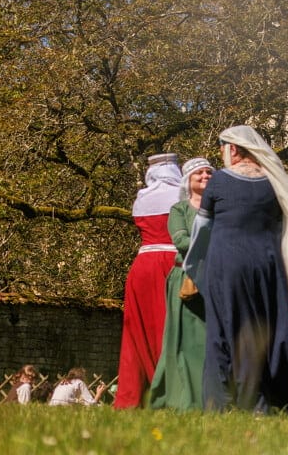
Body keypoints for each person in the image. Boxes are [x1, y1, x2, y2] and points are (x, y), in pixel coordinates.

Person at [184, 125, 288, 413]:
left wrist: (194, 265)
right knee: (267, 330)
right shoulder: (275, 183)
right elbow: (287, 228)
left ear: (233, 148)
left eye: (223, 149)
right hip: (267, 267)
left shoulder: (218, 181)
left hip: (227, 265)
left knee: (224, 329)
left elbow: (202, 228)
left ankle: (219, 402)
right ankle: (273, 399)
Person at [115, 153, 182, 409]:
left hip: (142, 265)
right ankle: (169, 391)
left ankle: (132, 397)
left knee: (136, 332)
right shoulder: (184, 196)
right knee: (170, 327)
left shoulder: (141, 199)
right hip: (172, 263)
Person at [148, 157, 213, 410]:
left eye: (209, 172)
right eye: (200, 173)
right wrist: (212, 238)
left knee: (210, 340)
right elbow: (182, 242)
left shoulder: (221, 209)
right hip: (186, 280)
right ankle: (182, 398)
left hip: (214, 279)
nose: (206, 176)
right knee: (186, 342)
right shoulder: (180, 210)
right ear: (189, 179)